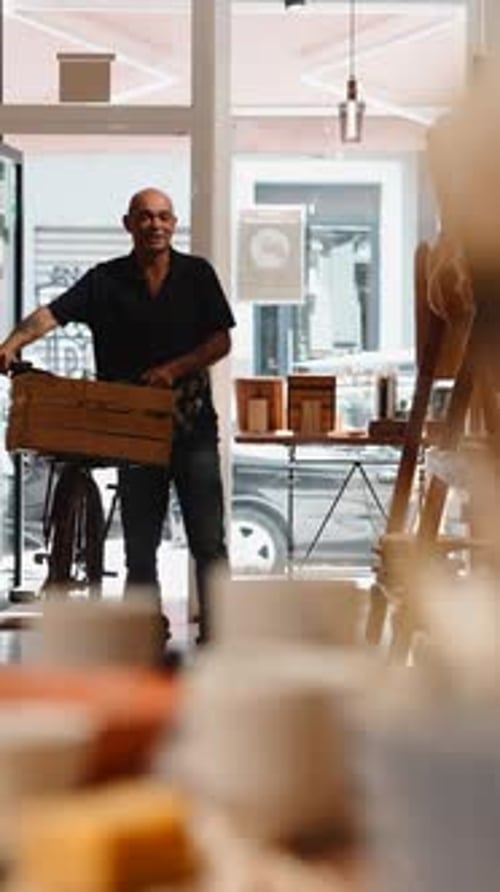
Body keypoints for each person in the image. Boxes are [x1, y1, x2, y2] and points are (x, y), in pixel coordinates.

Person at [0, 187, 236, 644]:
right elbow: (51, 315)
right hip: (131, 431)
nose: (156, 225)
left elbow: (220, 341)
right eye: (145, 217)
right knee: (140, 545)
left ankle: (223, 630)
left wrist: (175, 369)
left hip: (192, 428)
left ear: (174, 223)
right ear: (128, 224)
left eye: (164, 217)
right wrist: (12, 344)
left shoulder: (197, 275)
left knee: (209, 541)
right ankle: (144, 627)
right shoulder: (104, 280)